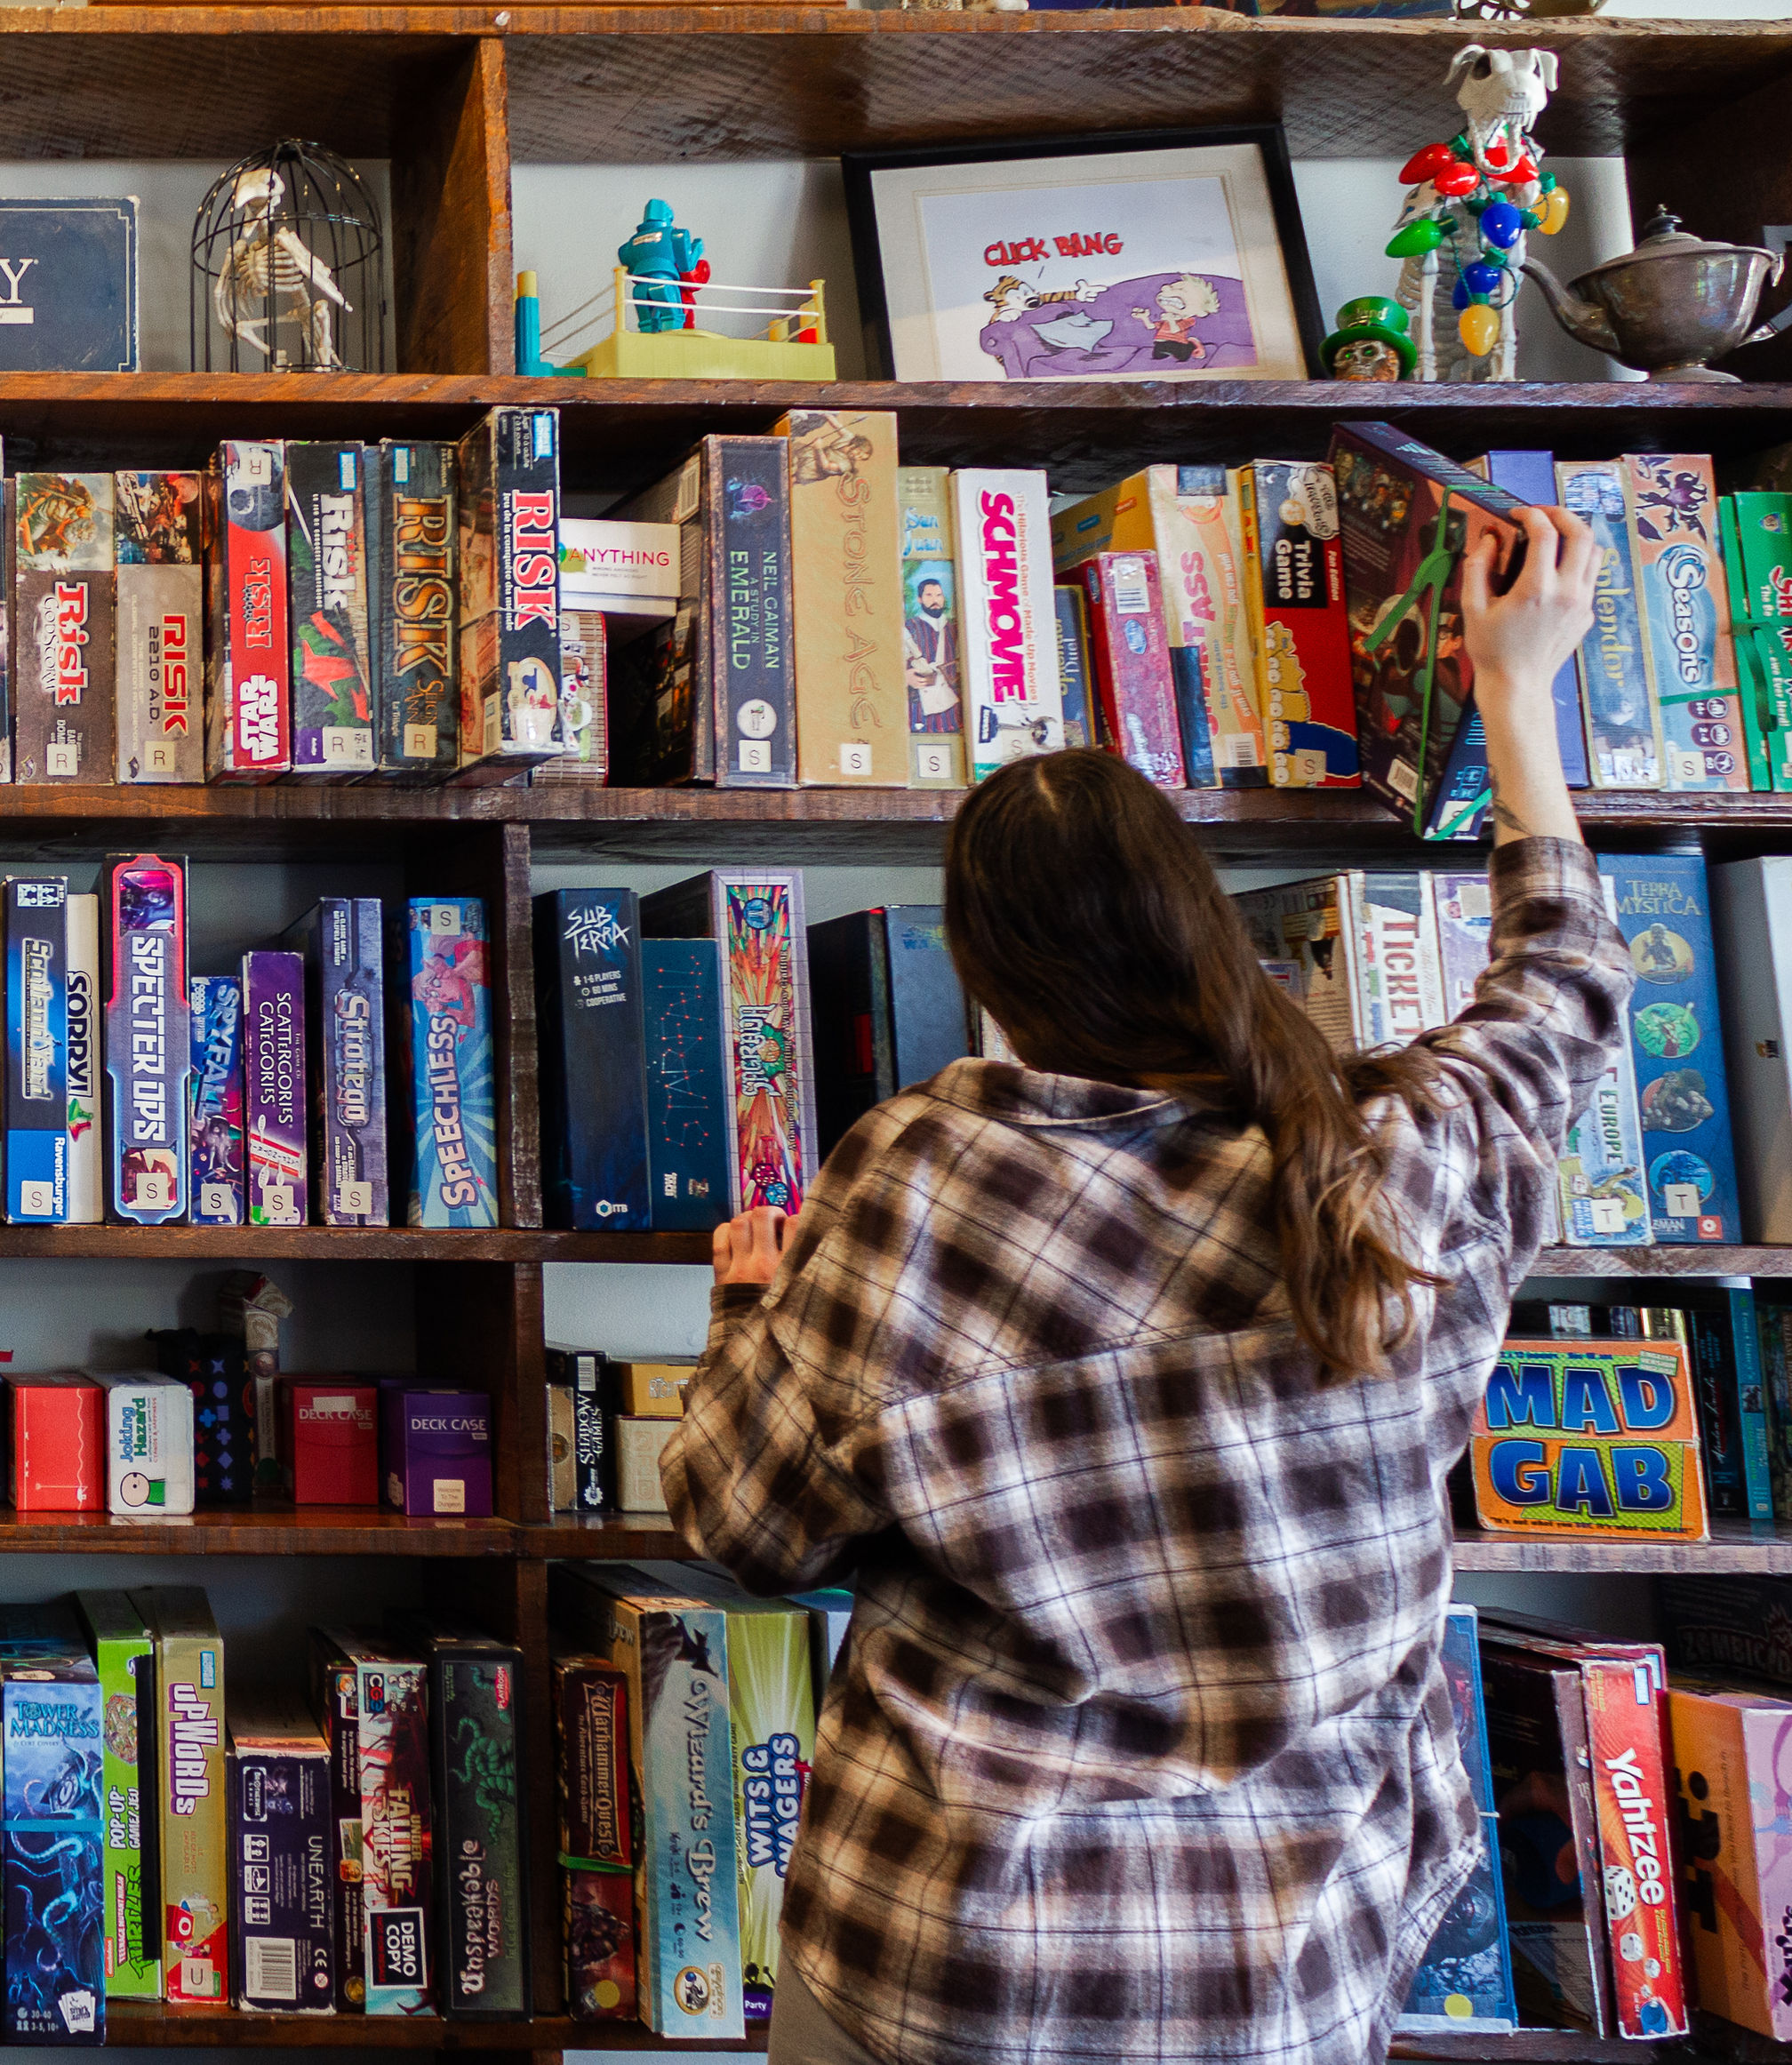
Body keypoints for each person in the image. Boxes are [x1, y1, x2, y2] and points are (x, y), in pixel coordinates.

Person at [664, 506, 1627, 2065]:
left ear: (983, 971)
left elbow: (740, 1527)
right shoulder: (1396, 1161)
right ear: (1196, 919)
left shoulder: (930, 1175)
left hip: (945, 1962)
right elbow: (1567, 991)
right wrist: (1517, 696)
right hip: (1286, 1981)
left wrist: (749, 1315)